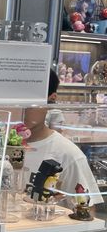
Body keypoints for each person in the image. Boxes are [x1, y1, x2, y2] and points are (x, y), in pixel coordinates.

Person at [24, 70, 103, 209]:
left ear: (51, 100)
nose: (21, 108)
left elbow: (87, 211)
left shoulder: (68, 154)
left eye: (30, 100)